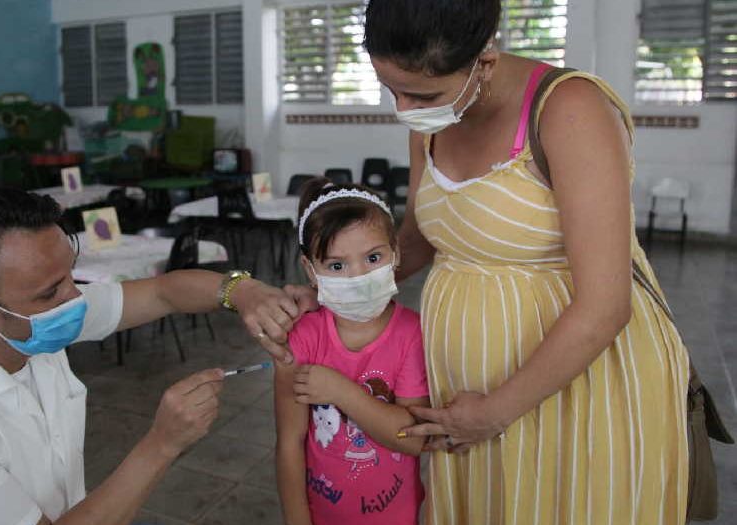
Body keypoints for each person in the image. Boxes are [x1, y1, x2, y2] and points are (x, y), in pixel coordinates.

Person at [273, 1, 691, 523]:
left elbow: (605, 307)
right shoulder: (434, 118)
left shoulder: (569, 109)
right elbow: (426, 233)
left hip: (568, 386)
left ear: (485, 62)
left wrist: (494, 412)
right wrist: (343, 289)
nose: (404, 107)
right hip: (467, 397)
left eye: (420, 94)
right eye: (391, 89)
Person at [0, 186, 308, 525]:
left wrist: (243, 291)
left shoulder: (31, 321)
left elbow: (163, 291)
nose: (75, 298)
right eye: (52, 290)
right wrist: (162, 443)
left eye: (71, 275)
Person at [274, 179, 430, 525]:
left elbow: (414, 438)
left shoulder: (412, 334)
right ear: (310, 271)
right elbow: (289, 442)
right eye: (336, 266)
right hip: (321, 514)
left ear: (396, 253)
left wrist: (341, 392)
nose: (358, 276)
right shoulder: (302, 338)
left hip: (396, 516)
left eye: (373, 257)